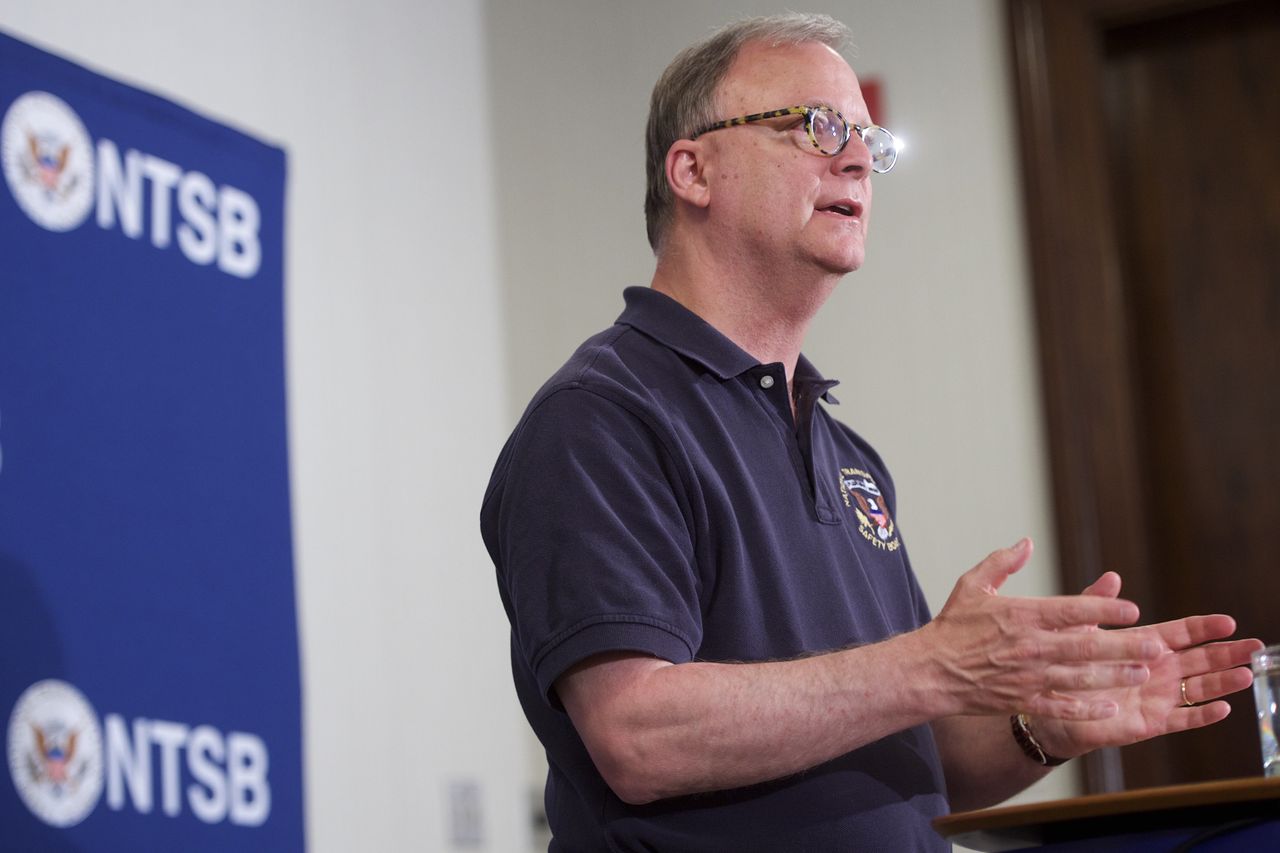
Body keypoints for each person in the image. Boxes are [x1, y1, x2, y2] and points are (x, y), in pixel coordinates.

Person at [479, 13, 1260, 851]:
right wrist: (930, 663)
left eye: (867, 140)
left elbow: (909, 745)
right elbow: (637, 735)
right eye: (816, 128)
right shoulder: (603, 417)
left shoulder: (847, 456)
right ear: (693, 170)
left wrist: (1043, 727)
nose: (856, 158)